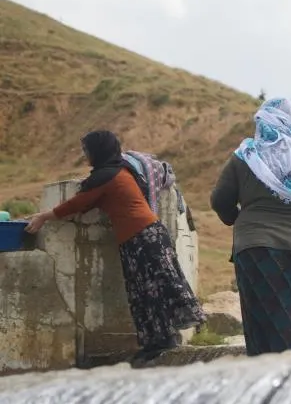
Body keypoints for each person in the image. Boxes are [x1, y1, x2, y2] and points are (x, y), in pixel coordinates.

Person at [25, 129, 206, 363]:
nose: (85, 155)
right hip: (145, 236)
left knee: (151, 290)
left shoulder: (107, 177)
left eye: (87, 151)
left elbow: (77, 203)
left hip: (143, 238)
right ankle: (157, 341)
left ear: (98, 152)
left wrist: (43, 217)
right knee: (144, 291)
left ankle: (163, 341)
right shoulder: (114, 172)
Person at [210, 97, 291, 357]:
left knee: (262, 324)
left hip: (256, 252)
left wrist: (241, 221)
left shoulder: (244, 158)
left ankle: (266, 385)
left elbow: (219, 200)